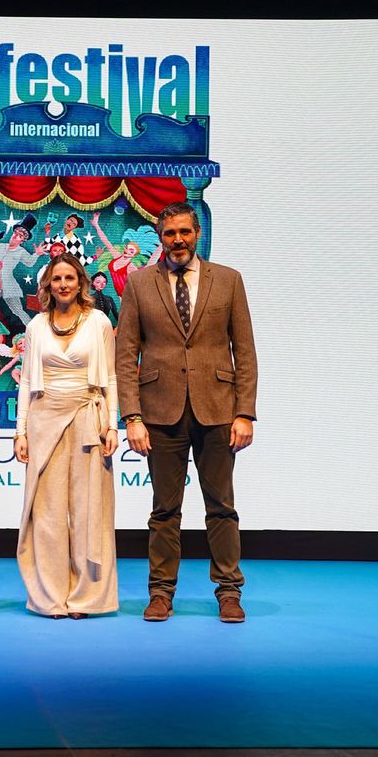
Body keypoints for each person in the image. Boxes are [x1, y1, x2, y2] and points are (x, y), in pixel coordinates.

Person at [116, 202, 258, 623]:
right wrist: (132, 417)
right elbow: (125, 354)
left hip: (218, 410)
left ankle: (229, 592)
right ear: (160, 238)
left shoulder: (228, 280)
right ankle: (161, 593)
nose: (177, 240)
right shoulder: (139, 283)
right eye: (169, 233)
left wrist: (245, 412)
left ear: (197, 234)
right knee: (164, 511)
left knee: (222, 508)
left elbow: (244, 351)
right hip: (160, 413)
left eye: (184, 232)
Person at [12, 256, 120, 618]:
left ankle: (87, 597)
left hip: (89, 419)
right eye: (56, 278)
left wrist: (112, 425)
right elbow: (27, 381)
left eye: (69, 278)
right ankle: (51, 595)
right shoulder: (36, 326)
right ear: (47, 285)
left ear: (80, 283)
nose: (63, 284)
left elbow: (111, 378)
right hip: (44, 421)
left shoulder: (99, 321)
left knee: (90, 511)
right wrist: (20, 431)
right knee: (47, 513)